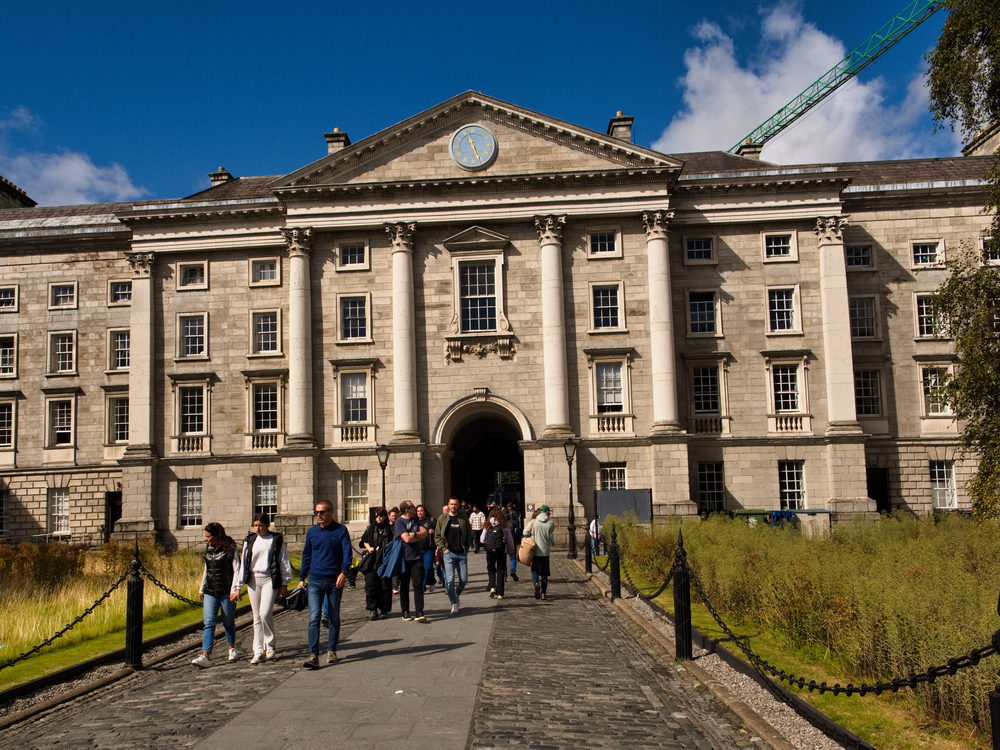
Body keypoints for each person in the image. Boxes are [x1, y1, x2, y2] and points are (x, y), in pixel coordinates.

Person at [298, 499, 351, 668]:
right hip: (315, 580)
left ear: (331, 512)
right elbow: (307, 554)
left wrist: (344, 572)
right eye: (316, 512)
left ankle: (331, 650)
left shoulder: (341, 530)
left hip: (334, 580)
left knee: (334, 617)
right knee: (314, 618)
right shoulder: (312, 532)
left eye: (322, 512)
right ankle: (313, 654)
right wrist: (301, 577)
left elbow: (347, 553)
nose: (318, 515)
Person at [234, 514, 293, 664]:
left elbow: (283, 561)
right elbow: (244, 564)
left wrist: (285, 583)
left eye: (260, 525)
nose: (257, 528)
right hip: (253, 580)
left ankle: (270, 644)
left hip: (269, 579)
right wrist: (237, 587)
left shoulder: (275, 539)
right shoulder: (250, 540)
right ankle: (258, 650)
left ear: (267, 525)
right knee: (256, 617)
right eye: (255, 525)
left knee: (265, 613)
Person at [191, 522, 240, 668]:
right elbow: (207, 569)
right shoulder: (208, 548)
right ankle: (205, 655)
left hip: (226, 590)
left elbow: (237, 569)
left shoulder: (230, 548)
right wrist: (201, 588)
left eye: (208, 536)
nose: (206, 539)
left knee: (228, 621)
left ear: (217, 535)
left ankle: (231, 648)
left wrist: (235, 589)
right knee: (209, 622)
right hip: (210, 590)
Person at [394, 500, 429, 622]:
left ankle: (419, 611)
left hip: (416, 557)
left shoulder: (415, 520)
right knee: (404, 586)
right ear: (407, 509)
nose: (415, 508)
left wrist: (412, 534)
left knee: (418, 585)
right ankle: (405, 611)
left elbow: (425, 533)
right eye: (412, 506)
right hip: (404, 558)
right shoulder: (399, 522)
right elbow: (406, 539)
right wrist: (415, 536)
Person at [435, 497, 472, 614]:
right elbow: (437, 536)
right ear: (448, 505)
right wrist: (443, 549)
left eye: (455, 504)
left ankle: (455, 595)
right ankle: (454, 602)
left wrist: (466, 548)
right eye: (451, 504)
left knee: (464, 580)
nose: (453, 506)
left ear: (458, 506)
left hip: (461, 553)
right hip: (448, 553)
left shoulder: (463, 518)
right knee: (449, 580)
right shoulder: (442, 518)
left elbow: (469, 534)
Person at [360, 507, 393, 620]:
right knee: (370, 586)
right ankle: (372, 609)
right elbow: (363, 541)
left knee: (384, 586)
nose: (378, 518)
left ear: (385, 516)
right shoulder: (371, 528)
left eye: (381, 515)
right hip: (372, 561)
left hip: (384, 561)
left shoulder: (389, 529)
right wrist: (369, 548)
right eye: (376, 516)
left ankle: (384, 610)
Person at [480, 507, 515, 599]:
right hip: (501, 551)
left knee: (491, 569)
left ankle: (492, 587)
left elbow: (482, 539)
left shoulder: (487, 526)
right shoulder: (504, 526)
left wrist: (488, 544)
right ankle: (500, 593)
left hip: (490, 551)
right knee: (501, 570)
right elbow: (510, 541)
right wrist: (511, 553)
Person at [523, 505, 555, 601]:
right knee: (544, 574)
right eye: (549, 511)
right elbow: (551, 537)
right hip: (545, 552)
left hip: (535, 550)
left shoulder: (533, 522)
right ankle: (543, 594)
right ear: (546, 512)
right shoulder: (550, 523)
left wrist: (532, 535)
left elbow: (525, 532)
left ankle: (536, 583)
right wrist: (552, 543)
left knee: (535, 570)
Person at [415, 504, 436, 593]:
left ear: (425, 511)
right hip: (418, 548)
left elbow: (437, 531)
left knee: (427, 567)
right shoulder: (414, 522)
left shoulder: (430, 520)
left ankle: (431, 581)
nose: (420, 512)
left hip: (429, 548)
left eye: (421, 510)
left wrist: (432, 531)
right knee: (421, 568)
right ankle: (422, 587)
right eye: (418, 511)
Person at [506, 502, 522, 581]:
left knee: (502, 559)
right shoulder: (514, 522)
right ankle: (512, 570)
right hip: (512, 542)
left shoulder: (500, 523)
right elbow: (518, 531)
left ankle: (504, 575)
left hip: (502, 543)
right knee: (513, 558)